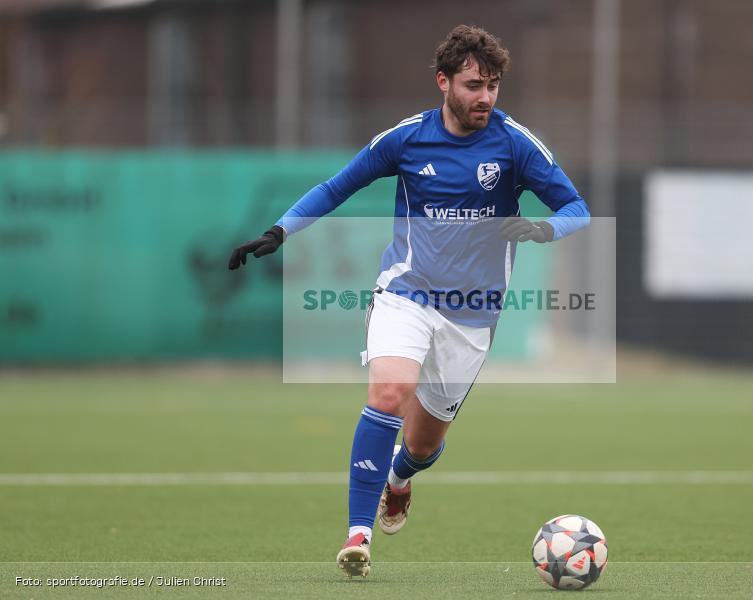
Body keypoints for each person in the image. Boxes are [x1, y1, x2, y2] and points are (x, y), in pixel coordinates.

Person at [228, 24, 590, 578]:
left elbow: (576, 209)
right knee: (389, 393)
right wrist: (280, 231)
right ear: (443, 82)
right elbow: (337, 186)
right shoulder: (407, 139)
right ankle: (358, 535)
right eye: (473, 85)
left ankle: (399, 479)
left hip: (472, 315)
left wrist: (543, 229)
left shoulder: (515, 144)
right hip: (407, 293)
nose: (485, 97)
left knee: (422, 445)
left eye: (493, 86)